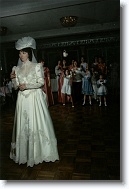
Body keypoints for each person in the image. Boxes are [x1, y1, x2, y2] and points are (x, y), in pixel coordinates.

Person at [10, 36, 59, 167]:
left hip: (34, 99)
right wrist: (13, 80)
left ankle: (40, 152)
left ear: (29, 53)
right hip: (22, 100)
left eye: (24, 52)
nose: (21, 55)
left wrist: (27, 86)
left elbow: (41, 82)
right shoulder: (16, 68)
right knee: (24, 125)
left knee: (36, 123)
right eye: (20, 52)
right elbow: (15, 86)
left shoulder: (37, 66)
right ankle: (24, 153)